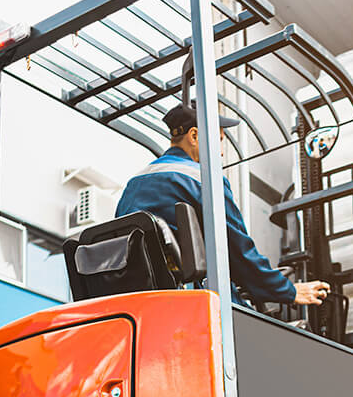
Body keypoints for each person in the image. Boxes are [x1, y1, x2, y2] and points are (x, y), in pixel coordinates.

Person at [116, 103, 330, 308]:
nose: (220, 153)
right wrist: (287, 291)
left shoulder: (133, 185)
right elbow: (237, 249)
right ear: (194, 136)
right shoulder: (202, 179)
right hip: (193, 300)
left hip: (139, 302)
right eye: (218, 141)